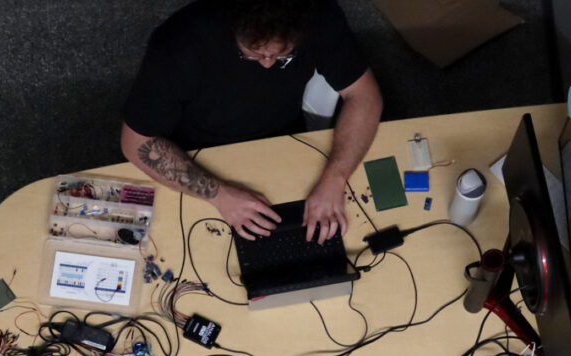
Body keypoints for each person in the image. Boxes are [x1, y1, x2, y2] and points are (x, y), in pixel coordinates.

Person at [121, 0, 383, 244]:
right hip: (197, 155)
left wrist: (335, 179)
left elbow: (365, 96)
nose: (268, 64)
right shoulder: (179, 42)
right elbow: (136, 142)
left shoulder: (317, 14)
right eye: (254, 54)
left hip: (283, 141)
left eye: (282, 56)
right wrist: (219, 195)